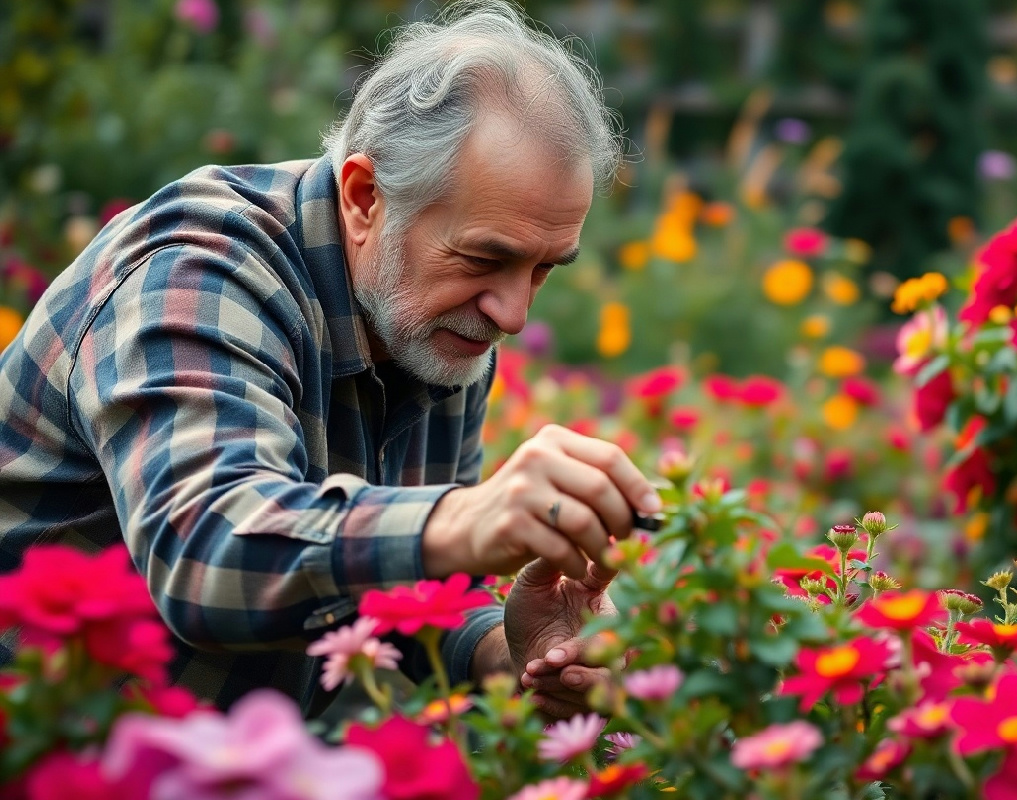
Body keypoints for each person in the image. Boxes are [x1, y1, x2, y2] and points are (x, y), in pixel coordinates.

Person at [0, 0, 660, 720]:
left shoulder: (433, 317)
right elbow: (206, 553)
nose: (514, 313)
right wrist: (465, 522)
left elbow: (395, 585)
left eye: (543, 269)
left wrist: (511, 651)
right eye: (486, 258)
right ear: (365, 197)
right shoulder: (197, 271)